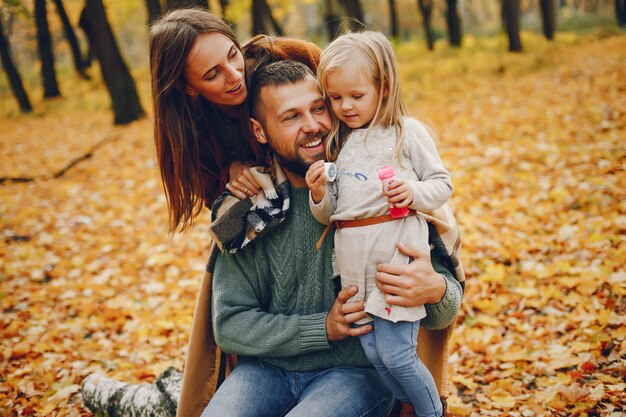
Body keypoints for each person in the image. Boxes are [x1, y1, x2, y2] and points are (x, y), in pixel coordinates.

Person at [188, 60, 464, 417]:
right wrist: (322, 328)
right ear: (259, 131)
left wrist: (434, 290)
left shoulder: (383, 185)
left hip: (356, 375)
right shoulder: (249, 209)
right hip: (265, 372)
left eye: (319, 108)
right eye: (291, 117)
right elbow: (229, 325)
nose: (313, 126)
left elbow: (445, 310)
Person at [306, 32, 456, 417]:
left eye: (356, 96)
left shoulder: (406, 133)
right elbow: (332, 214)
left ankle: (431, 411)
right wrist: (320, 193)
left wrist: (412, 192)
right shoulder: (341, 143)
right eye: (335, 98)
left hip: (394, 260)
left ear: (383, 86)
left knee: (397, 353)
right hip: (355, 265)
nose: (345, 107)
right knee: (374, 353)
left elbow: (442, 184)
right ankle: (405, 404)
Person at [149, 8, 321, 232]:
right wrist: (230, 174)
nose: (234, 75)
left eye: (232, 54)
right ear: (187, 87)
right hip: (273, 227)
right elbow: (217, 201)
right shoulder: (192, 131)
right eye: (213, 74)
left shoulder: (290, 55)